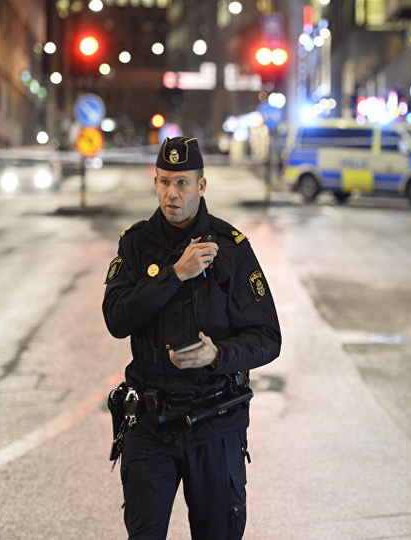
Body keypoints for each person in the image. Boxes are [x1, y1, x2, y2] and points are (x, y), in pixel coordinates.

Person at [102, 136, 282, 539]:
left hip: (215, 423)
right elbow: (116, 319)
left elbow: (268, 337)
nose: (172, 193)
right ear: (155, 182)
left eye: (182, 182)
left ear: (202, 185)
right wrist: (175, 275)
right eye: (164, 181)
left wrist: (218, 354)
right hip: (150, 424)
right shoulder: (135, 245)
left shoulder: (231, 248)